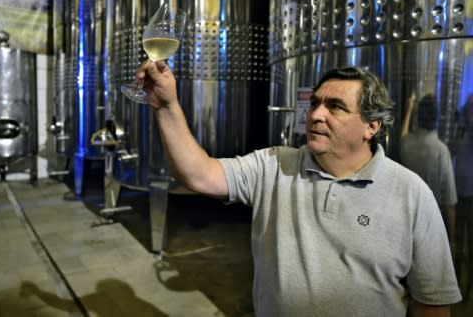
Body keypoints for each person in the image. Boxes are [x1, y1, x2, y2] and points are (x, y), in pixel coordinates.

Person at [137, 62, 461, 317]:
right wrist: (167, 107)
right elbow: (199, 174)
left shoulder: (411, 194)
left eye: (335, 107)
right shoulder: (274, 166)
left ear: (371, 126)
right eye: (315, 103)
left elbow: (432, 304)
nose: (315, 114)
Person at [400, 94, 457, 254]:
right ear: (437, 117)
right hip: (432, 227)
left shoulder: (406, 144)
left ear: (418, 116)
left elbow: (403, 135)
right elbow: (449, 202)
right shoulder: (441, 151)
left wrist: (409, 109)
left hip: (406, 224)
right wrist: (451, 240)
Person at [454, 94, 473, 298]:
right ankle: (458, 285)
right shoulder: (462, 131)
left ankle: (469, 290)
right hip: (459, 197)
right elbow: (454, 149)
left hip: (472, 199)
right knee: (458, 244)